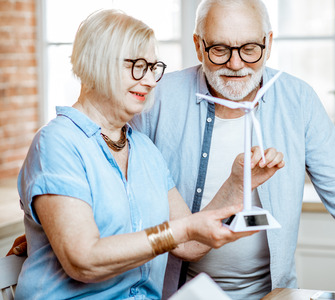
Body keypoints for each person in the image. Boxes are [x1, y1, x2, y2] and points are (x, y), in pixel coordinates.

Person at [13, 9, 285, 299]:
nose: (149, 80)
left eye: (153, 68)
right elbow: (84, 261)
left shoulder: (144, 150)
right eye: (137, 66)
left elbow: (189, 245)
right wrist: (178, 231)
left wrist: (237, 183)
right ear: (96, 63)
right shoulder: (57, 144)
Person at [130, 0, 335, 299]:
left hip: (272, 293)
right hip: (177, 293)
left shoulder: (299, 100)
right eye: (219, 49)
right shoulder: (158, 98)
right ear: (198, 45)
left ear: (268, 44)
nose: (236, 64)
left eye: (249, 49)